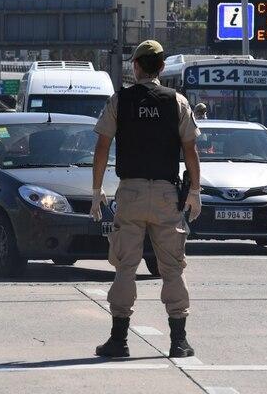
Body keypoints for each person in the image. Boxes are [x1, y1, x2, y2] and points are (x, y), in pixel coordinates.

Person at [90, 40, 202, 358]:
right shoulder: (177, 102)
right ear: (162, 68)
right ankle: (179, 341)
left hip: (132, 192)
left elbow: (101, 148)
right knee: (172, 268)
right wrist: (194, 191)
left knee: (126, 265)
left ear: (135, 66)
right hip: (168, 194)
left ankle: (118, 340)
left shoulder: (119, 101)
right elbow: (190, 150)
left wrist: (97, 193)